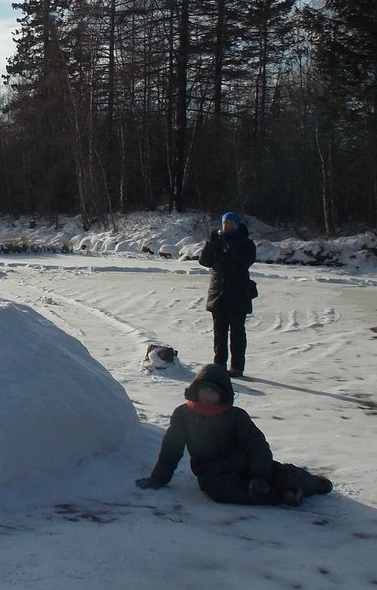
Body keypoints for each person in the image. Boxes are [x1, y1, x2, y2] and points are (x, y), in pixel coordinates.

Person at [134, 364, 332, 506]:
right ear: (196, 389)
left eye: (214, 391)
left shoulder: (235, 416)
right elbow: (171, 448)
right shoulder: (183, 414)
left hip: (244, 463)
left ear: (224, 394)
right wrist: (159, 477)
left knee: (282, 474)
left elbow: (257, 446)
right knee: (225, 493)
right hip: (211, 472)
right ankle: (283, 496)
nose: (208, 396)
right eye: (204, 389)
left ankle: (309, 484)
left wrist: (259, 475)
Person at [201, 211, 256, 377]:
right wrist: (210, 244)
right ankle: (219, 365)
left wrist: (231, 248)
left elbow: (246, 262)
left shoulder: (246, 243)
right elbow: (205, 261)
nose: (228, 226)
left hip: (238, 294)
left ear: (237, 225)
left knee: (237, 332)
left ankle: (237, 367)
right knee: (219, 332)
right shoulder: (217, 241)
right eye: (226, 223)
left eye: (231, 223)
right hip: (218, 293)